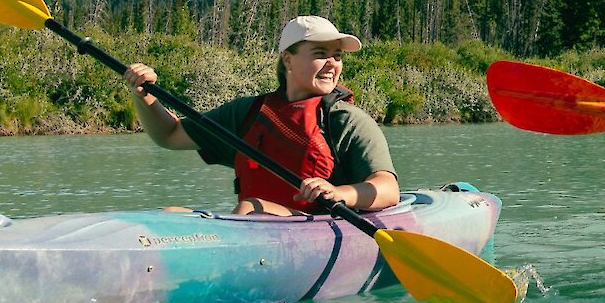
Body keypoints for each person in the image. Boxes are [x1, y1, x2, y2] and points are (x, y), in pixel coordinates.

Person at [123, 15, 401, 216]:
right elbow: (169, 135)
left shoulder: (346, 120)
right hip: (256, 228)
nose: (332, 64)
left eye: (337, 56)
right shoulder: (247, 113)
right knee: (169, 213)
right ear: (288, 60)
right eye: (320, 53)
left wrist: (341, 193)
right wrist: (144, 95)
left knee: (249, 207)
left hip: (317, 227)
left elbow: (387, 189)